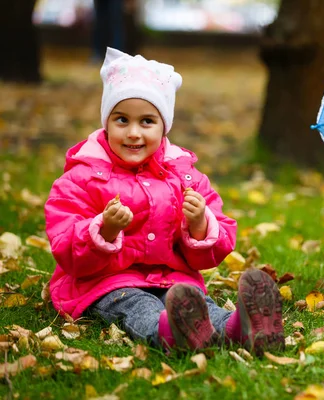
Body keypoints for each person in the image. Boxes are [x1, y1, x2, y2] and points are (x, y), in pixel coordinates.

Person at [44, 47, 284, 354]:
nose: (133, 133)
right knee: (138, 307)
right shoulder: (83, 177)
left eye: (146, 121)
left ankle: (241, 328)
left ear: (164, 125)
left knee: (199, 307)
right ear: (106, 123)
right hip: (109, 284)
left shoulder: (185, 177)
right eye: (121, 120)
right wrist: (103, 230)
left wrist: (199, 224)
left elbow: (218, 244)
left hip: (175, 282)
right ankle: (171, 334)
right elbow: (66, 247)